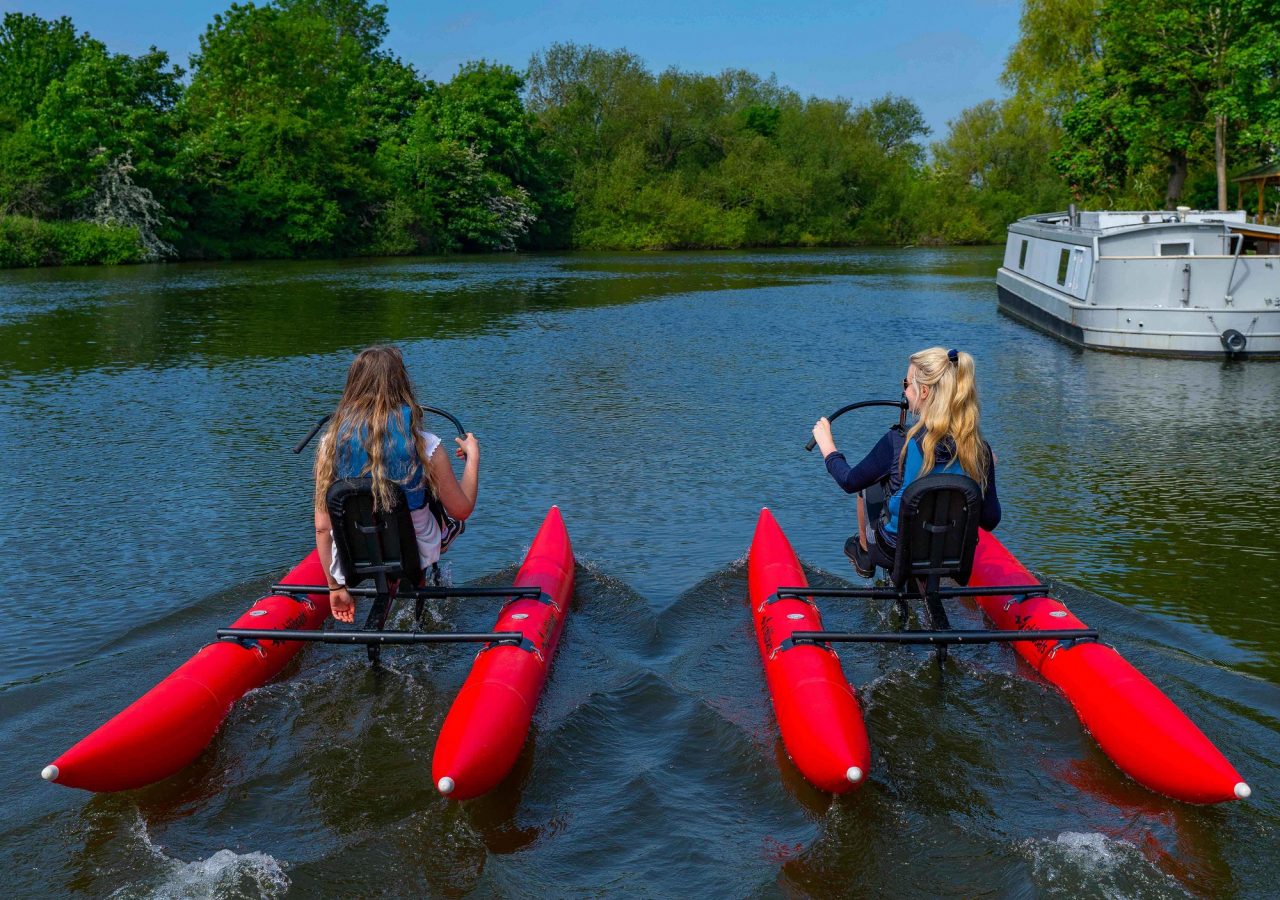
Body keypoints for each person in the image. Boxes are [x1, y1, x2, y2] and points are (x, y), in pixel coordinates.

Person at [313, 346, 479, 623]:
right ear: (402, 386)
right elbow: (462, 508)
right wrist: (473, 458)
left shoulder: (329, 445)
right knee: (443, 507)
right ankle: (443, 538)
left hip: (354, 556)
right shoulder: (425, 443)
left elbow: (322, 526)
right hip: (414, 552)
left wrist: (335, 587)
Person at [811, 346, 1000, 577]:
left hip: (893, 551)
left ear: (923, 392)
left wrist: (828, 447)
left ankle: (863, 553)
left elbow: (850, 481)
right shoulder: (981, 451)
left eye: (906, 384)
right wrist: (986, 473)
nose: (904, 392)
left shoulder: (897, 442)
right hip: (954, 554)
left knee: (868, 484)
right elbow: (990, 520)